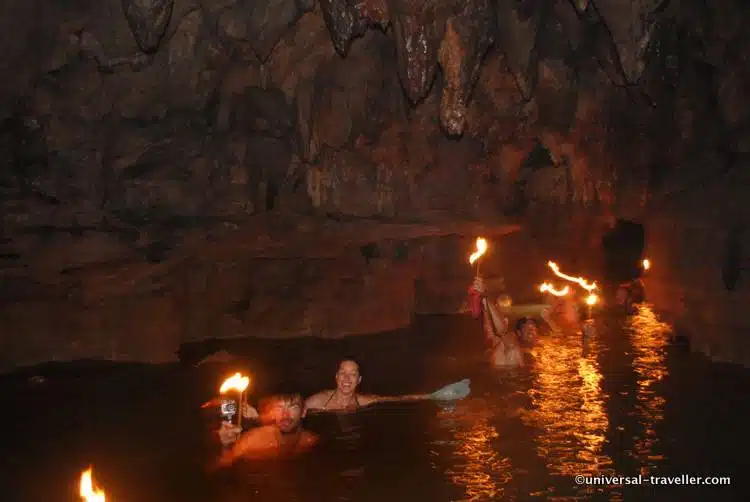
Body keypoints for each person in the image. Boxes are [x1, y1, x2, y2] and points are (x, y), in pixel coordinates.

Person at [215, 393, 318, 466]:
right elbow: (223, 465)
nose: (285, 415)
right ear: (272, 412)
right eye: (279, 408)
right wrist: (226, 445)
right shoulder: (254, 440)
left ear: (303, 412)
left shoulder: (311, 441)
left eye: (293, 407)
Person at [305, 360, 431, 412]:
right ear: (336, 377)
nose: (347, 379)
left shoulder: (363, 401)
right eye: (343, 373)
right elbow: (294, 408)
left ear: (359, 380)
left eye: (353, 374)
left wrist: (429, 396)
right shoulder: (318, 401)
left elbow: (396, 399)